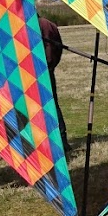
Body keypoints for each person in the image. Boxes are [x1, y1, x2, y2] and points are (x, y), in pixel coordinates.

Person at [38, 17, 69, 154]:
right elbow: (59, 47)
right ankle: (61, 140)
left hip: (41, 70)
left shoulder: (37, 24)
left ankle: (60, 140)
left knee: (50, 105)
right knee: (52, 104)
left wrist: (48, 66)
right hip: (47, 69)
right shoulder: (49, 24)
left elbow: (53, 49)